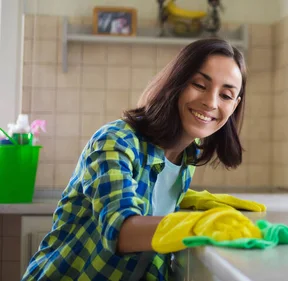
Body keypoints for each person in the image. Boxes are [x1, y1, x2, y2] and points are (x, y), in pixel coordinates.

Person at [21, 38, 251, 280]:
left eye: (226, 95)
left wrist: (187, 202)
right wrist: (197, 223)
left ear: (235, 105)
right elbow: (120, 230)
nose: (211, 102)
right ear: (177, 83)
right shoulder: (116, 140)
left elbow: (152, 208)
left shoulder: (186, 157)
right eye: (199, 84)